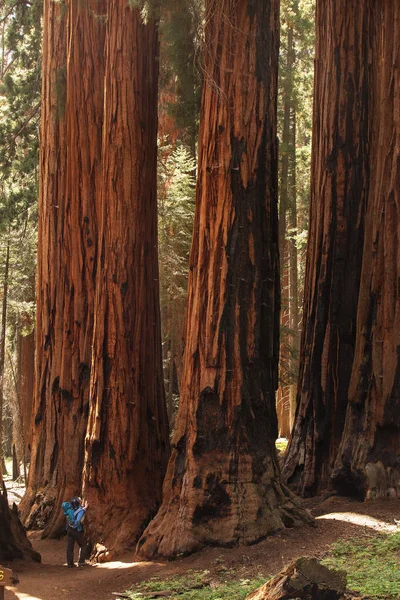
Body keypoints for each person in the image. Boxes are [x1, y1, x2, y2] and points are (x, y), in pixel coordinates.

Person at [61, 497, 89, 568]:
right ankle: (81, 562)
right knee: (83, 544)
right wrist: (85, 508)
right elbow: (77, 520)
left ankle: (70, 563)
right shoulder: (80, 511)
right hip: (75, 530)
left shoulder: (70, 511)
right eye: (79, 501)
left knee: (70, 547)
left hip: (69, 530)